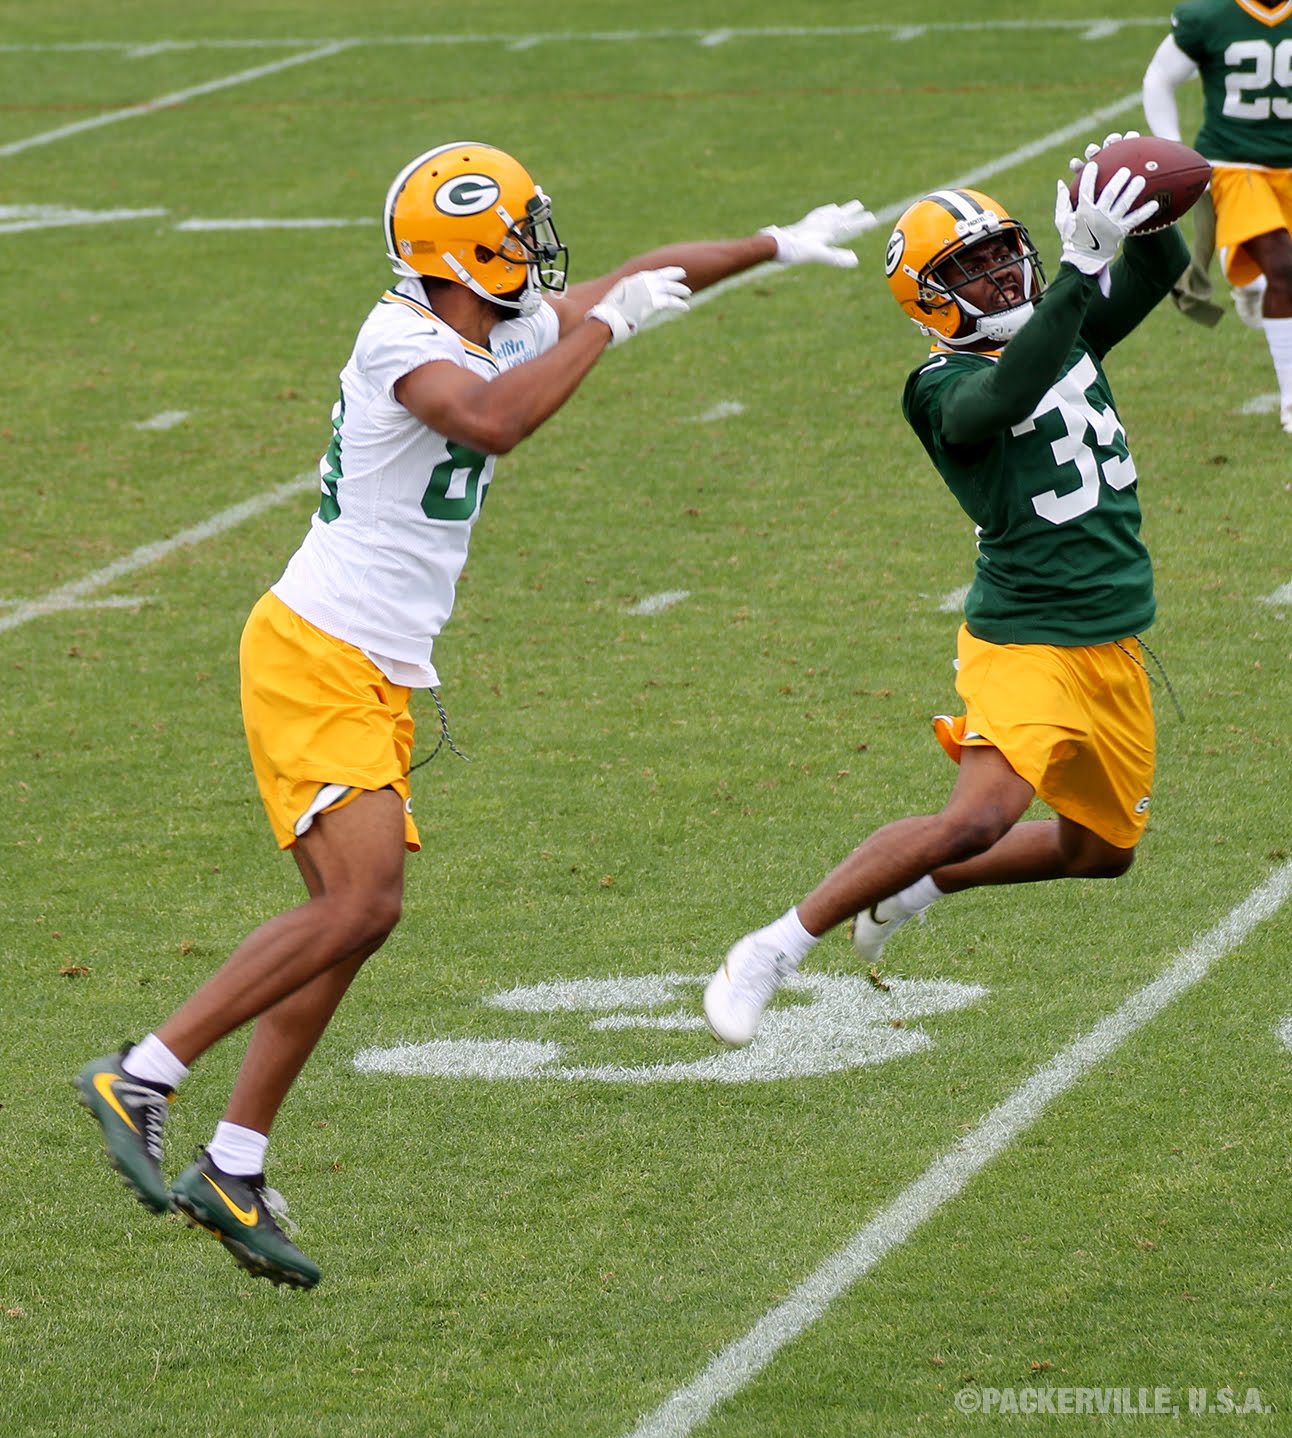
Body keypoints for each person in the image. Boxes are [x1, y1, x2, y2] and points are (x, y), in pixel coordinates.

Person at [75, 139, 876, 1287]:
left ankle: (233, 1164)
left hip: (371, 666)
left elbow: (640, 275)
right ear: (458, 253)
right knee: (360, 901)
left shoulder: (500, 324)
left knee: (352, 919)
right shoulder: (400, 338)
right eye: (514, 234)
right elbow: (492, 421)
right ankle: (144, 1074)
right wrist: (606, 329)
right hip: (316, 654)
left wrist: (774, 244)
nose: (536, 250)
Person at [704, 137, 1188, 1048]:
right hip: (1027, 639)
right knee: (980, 817)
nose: (1002, 275)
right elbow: (998, 400)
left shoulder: (1062, 322)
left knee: (1100, 852)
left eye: (1006, 252)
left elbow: (1161, 267)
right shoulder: (938, 384)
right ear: (929, 298)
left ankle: (923, 885)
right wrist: (1077, 275)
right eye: (972, 267)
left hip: (1112, 639)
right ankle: (772, 948)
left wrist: (1138, 202)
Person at [1142, 0, 1292, 430]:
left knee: (1278, 274)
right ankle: (1291, 405)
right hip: (1236, 165)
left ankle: (1244, 271)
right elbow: (1159, 78)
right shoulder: (1211, 15)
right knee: (1284, 268)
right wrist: (1176, 152)